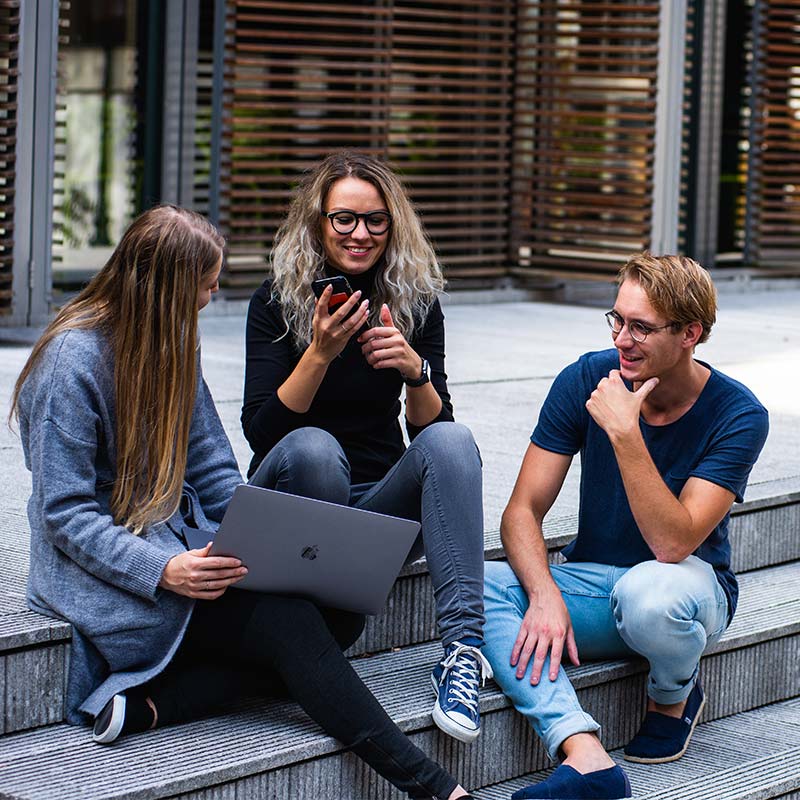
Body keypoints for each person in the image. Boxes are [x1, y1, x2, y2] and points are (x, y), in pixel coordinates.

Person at [10, 205, 474, 800]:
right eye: (204, 287)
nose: (208, 300)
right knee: (292, 626)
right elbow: (65, 513)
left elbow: (214, 470)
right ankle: (433, 786)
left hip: (189, 553)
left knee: (341, 617)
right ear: (166, 286)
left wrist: (257, 539)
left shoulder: (172, 342)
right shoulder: (69, 363)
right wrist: (164, 569)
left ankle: (158, 703)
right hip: (115, 579)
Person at [482, 254, 769, 799]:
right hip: (593, 583)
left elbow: (673, 542)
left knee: (650, 593)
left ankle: (672, 691)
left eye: (641, 327)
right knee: (477, 583)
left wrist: (625, 433)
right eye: (616, 320)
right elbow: (521, 510)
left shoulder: (739, 414)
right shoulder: (586, 377)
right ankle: (582, 753)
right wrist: (543, 594)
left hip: (684, 588)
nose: (623, 339)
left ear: (690, 333)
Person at [241, 150, 491, 744]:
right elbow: (262, 432)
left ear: (393, 223)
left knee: (453, 442)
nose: (361, 234)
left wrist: (415, 372)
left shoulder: (415, 300)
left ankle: (461, 654)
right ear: (318, 222)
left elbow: (433, 434)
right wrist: (320, 352)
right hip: (296, 502)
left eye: (376, 220)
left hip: (374, 514)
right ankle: (309, 628)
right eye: (344, 219)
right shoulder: (276, 301)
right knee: (315, 450)